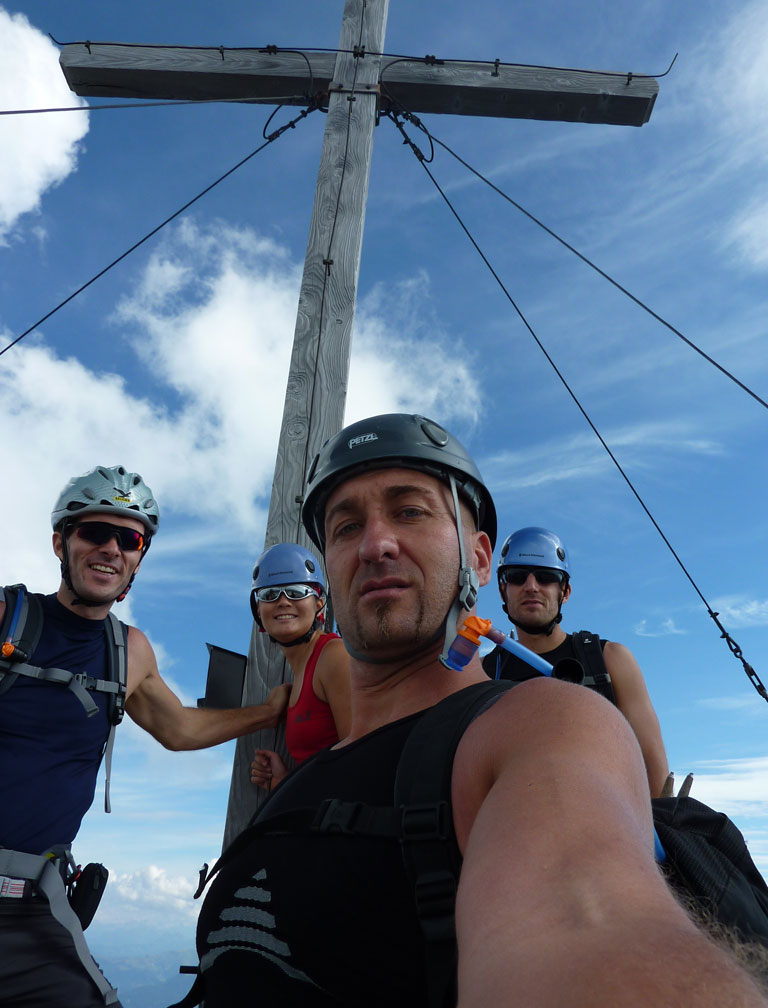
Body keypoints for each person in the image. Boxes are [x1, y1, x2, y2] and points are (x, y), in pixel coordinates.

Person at [190, 415, 767, 1008]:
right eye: (345, 527)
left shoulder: (538, 724)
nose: (373, 544)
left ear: (479, 557)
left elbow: (590, 925)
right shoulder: (311, 777)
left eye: (410, 511)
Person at [0, 465, 291, 1008]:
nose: (111, 548)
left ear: (138, 558)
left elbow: (177, 729)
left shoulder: (128, 650)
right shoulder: (8, 617)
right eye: (94, 532)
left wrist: (265, 712)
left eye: (129, 539)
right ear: (61, 542)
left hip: (34, 911)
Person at [483, 526, 669, 797]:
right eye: (517, 577)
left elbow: (654, 771)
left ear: (565, 591)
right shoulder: (484, 673)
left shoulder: (610, 660)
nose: (531, 586)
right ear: (503, 590)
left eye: (546, 577)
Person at [248, 542, 350, 790]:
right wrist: (283, 784)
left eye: (296, 591)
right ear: (258, 611)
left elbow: (359, 765)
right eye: (269, 595)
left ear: (319, 604)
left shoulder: (334, 657)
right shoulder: (299, 677)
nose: (283, 602)